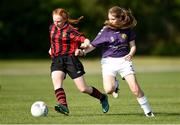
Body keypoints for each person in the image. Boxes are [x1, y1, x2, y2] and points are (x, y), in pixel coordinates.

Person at [79, 6, 154, 117]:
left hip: (124, 61)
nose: (111, 21)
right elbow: (93, 45)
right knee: (109, 90)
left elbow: (133, 46)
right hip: (108, 62)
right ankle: (116, 84)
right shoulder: (106, 30)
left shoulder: (128, 30)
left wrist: (131, 54)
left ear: (120, 18)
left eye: (113, 19)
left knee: (135, 88)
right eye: (109, 19)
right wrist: (83, 52)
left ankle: (148, 111)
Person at [48, 8, 109, 115]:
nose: (56, 23)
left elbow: (84, 39)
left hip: (71, 60)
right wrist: (51, 48)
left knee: (83, 88)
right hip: (57, 59)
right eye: (54, 20)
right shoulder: (52, 28)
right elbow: (54, 40)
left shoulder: (70, 30)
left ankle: (102, 97)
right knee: (56, 81)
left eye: (59, 21)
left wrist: (85, 44)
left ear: (65, 19)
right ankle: (64, 106)